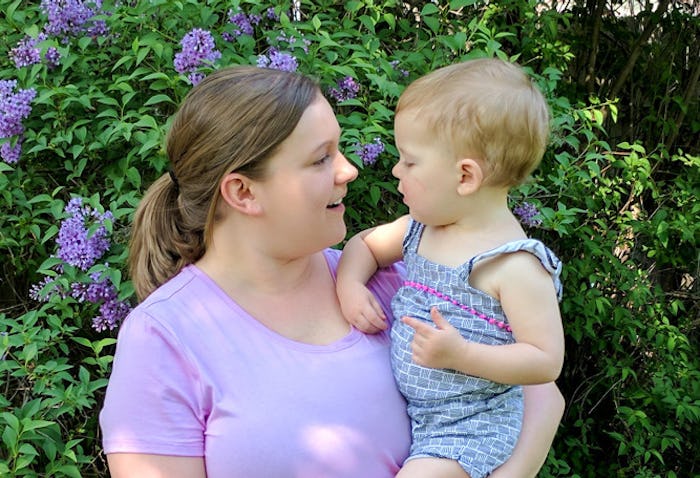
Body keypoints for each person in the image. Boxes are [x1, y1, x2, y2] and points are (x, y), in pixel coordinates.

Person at [99, 65, 565, 478]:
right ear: (243, 193)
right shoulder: (163, 337)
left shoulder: (392, 284)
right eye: (321, 158)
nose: (349, 170)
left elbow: (539, 396)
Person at [335, 58, 565, 478]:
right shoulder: (420, 228)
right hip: (418, 413)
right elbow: (364, 245)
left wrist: (462, 354)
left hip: (471, 424)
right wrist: (350, 284)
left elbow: (545, 361)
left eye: (409, 161)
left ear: (465, 176)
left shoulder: (512, 264)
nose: (395, 170)